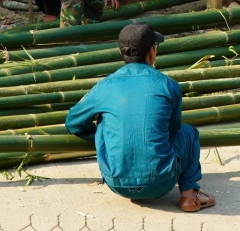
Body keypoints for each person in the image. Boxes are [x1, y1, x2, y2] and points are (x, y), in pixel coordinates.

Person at [65, 22, 214, 213]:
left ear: (121, 52)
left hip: (115, 181)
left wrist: (106, 138)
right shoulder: (168, 85)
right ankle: (189, 194)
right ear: (152, 52)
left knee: (104, 123)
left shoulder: (104, 86)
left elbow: (73, 123)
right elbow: (173, 129)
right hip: (162, 181)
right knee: (189, 132)